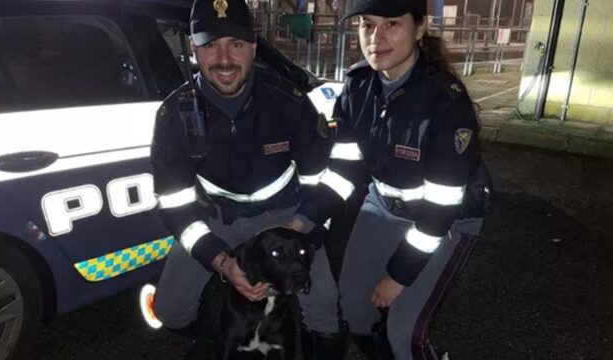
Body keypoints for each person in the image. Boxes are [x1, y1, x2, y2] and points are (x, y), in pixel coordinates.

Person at [147, 0, 349, 358]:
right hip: (216, 219)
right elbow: (175, 207)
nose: (224, 59)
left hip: (287, 217)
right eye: (210, 45)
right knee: (169, 311)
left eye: (236, 44)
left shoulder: (289, 102)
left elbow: (328, 181)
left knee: (323, 307)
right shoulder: (173, 116)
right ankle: (222, 339)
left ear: (254, 46)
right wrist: (221, 262)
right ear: (194, 50)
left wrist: (301, 228)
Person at [327, 0, 492, 359]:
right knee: (353, 307)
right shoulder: (357, 87)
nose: (376, 38)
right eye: (367, 25)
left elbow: (440, 208)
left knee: (405, 333)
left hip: (445, 221)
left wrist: (397, 277)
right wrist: (303, 218)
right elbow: (345, 170)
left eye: (391, 24)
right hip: (383, 206)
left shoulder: (445, 102)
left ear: (419, 28)